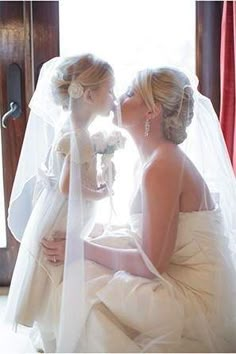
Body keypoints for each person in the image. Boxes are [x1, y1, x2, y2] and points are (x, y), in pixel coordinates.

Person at [42, 67, 236, 352]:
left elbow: (151, 264)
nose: (119, 97)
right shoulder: (153, 158)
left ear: (152, 112)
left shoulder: (162, 165)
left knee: (83, 286)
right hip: (171, 268)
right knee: (84, 265)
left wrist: (81, 247)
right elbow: (151, 237)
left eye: (131, 93)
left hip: (194, 296)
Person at [5, 54, 116, 352]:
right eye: (110, 90)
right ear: (89, 94)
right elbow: (69, 186)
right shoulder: (77, 135)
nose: (114, 98)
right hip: (64, 214)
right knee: (58, 269)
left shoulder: (72, 128)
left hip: (59, 211)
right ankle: (57, 333)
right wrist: (100, 193)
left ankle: (52, 332)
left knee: (56, 268)